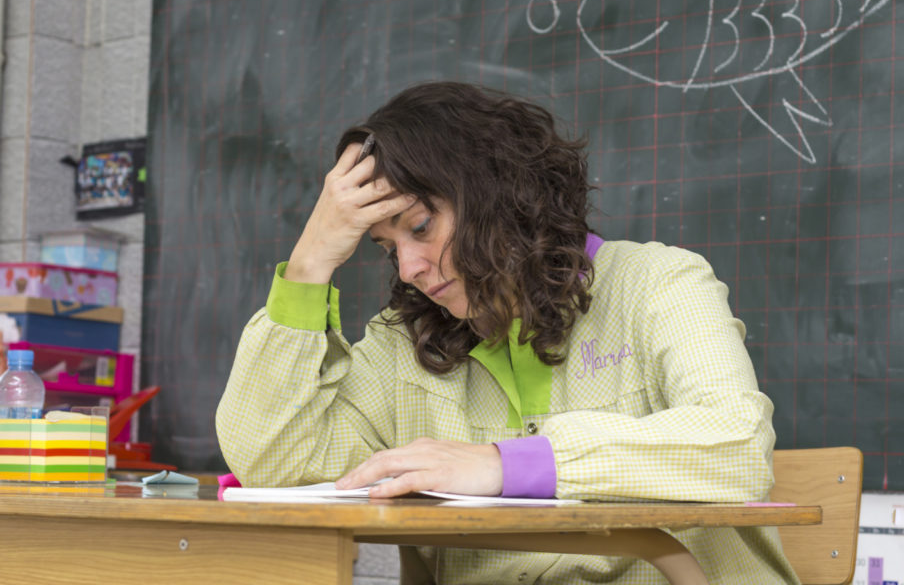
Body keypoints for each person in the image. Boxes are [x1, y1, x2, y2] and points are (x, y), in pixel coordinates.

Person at [216, 81, 799, 584]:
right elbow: (275, 460)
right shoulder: (405, 343)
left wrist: (505, 465)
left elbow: (737, 445)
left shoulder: (658, 282)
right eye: (387, 248)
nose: (410, 268)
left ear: (496, 192)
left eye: (420, 226)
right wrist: (310, 263)